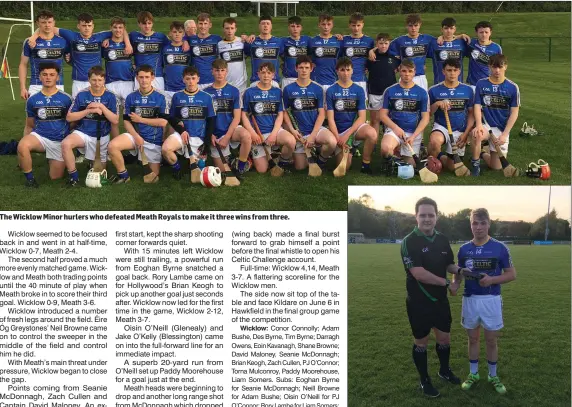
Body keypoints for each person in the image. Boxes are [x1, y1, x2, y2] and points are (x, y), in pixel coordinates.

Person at [400, 197, 468, 397]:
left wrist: (461, 272)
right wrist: (448, 283)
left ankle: (444, 370)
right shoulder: (409, 242)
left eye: (431, 215)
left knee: (444, 339)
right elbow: (418, 273)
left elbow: (449, 265)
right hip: (418, 302)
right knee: (421, 342)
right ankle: (424, 379)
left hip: (440, 301)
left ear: (437, 217)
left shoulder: (442, 239)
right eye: (423, 215)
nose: (427, 219)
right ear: (416, 217)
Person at [454, 208, 516, 394]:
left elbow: (512, 275)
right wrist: (455, 283)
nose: (478, 227)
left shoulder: (500, 248)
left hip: (491, 300)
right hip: (470, 300)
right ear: (470, 224)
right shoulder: (463, 249)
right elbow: (457, 274)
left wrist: (491, 280)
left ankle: (493, 375)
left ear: (489, 224)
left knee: (490, 341)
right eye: (475, 223)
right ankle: (473, 374)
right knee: (472, 339)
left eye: (482, 223)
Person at [27, 13, 132, 99]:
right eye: (84, 25)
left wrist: (127, 44)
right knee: (77, 111)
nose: (87, 28)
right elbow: (48, 28)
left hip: (97, 81)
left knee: (98, 111)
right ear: (78, 26)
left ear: (93, 26)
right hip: (78, 82)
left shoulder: (100, 36)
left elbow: (122, 31)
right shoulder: (72, 36)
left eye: (89, 25)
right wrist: (34, 36)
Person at [107, 64, 168, 183]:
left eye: (146, 77)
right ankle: (123, 175)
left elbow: (163, 122)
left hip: (153, 140)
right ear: (137, 78)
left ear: (152, 78)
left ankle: (144, 158)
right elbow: (126, 122)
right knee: (112, 146)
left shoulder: (161, 97)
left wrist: (141, 120)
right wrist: (136, 136)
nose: (144, 80)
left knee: (152, 178)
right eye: (141, 77)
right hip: (135, 137)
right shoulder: (130, 97)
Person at [62, 66, 118, 187]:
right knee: (66, 144)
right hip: (83, 132)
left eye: (100, 80)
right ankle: (74, 178)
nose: (97, 83)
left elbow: (115, 120)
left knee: (101, 176)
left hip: (101, 136)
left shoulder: (111, 96)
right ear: (89, 79)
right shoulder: (82, 94)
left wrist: (101, 107)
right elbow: (69, 117)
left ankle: (92, 163)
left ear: (104, 80)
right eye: (94, 80)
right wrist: (88, 111)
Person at [18, 62, 73, 187]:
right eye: (45, 74)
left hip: (59, 141)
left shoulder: (67, 98)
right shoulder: (32, 99)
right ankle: (30, 180)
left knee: (55, 177)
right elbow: (30, 124)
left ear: (57, 77)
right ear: (40, 77)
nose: (48, 77)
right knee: (22, 145)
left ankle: (53, 157)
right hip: (40, 137)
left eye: (52, 75)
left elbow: (73, 123)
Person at [282, 55, 337, 171]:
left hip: (315, 130)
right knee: (300, 167)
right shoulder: (288, 89)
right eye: (301, 67)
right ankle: (306, 151)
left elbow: (322, 114)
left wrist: (312, 135)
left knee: (332, 142)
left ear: (311, 69)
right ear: (296, 68)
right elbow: (285, 112)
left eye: (307, 67)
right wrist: (293, 130)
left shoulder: (318, 88)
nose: (304, 70)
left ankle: (321, 160)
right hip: (299, 133)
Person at [162, 66, 216, 180]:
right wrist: (182, 131)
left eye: (193, 78)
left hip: (199, 137)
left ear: (198, 79)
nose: (190, 81)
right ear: (183, 80)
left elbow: (211, 120)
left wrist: (206, 142)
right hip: (182, 135)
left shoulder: (206, 97)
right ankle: (177, 168)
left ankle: (192, 161)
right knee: (166, 149)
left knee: (200, 170)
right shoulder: (177, 96)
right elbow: (173, 118)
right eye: (187, 78)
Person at [241, 62, 296, 173]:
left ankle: (282, 162)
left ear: (273, 75)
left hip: (273, 131)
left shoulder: (277, 92)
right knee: (262, 170)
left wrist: (273, 134)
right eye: (263, 72)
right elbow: (244, 115)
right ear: (258, 74)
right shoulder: (249, 92)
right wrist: (252, 134)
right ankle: (251, 157)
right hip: (257, 134)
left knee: (291, 141)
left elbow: (280, 115)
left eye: (269, 73)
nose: (266, 75)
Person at [326, 57, 377, 174]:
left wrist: (348, 135)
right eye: (342, 70)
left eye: (348, 70)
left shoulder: (358, 90)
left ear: (352, 71)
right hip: (338, 131)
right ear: (337, 71)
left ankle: (366, 164)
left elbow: (362, 117)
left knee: (372, 134)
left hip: (354, 129)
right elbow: (330, 119)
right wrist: (339, 138)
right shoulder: (331, 90)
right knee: (344, 168)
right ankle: (344, 150)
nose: (345, 73)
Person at [471, 54, 520, 175]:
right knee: (476, 135)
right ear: (489, 67)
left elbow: (514, 113)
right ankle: (475, 164)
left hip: (501, 129)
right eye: (494, 67)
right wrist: (478, 124)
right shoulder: (481, 84)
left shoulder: (513, 87)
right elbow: (477, 105)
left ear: (505, 67)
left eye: (500, 67)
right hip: (486, 124)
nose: (497, 70)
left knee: (496, 167)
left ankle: (482, 153)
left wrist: (504, 134)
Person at [379, 59, 430, 170]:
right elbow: (382, 115)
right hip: (394, 130)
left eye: (410, 71)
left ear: (414, 72)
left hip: (412, 134)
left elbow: (425, 118)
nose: (407, 74)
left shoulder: (422, 92)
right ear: (399, 71)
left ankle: (397, 159)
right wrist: (396, 128)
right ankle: (393, 154)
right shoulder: (390, 90)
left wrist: (414, 136)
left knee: (411, 166)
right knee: (385, 149)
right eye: (404, 71)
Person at [203, 59, 252, 175]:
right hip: (215, 134)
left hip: (231, 129)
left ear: (226, 72)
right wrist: (210, 134)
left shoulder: (234, 91)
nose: (220, 73)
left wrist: (227, 137)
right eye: (217, 70)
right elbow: (204, 118)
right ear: (212, 72)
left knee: (246, 136)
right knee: (223, 171)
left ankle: (240, 166)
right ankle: (231, 159)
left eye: (222, 70)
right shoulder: (205, 93)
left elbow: (236, 117)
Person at [428, 58, 474, 172]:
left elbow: (472, 114)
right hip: (442, 126)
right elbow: (428, 114)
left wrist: (466, 134)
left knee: (452, 167)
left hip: (460, 130)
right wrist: (437, 104)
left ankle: (439, 156)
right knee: (434, 141)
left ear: (459, 71)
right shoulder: (434, 90)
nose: (452, 73)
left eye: (455, 70)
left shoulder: (468, 90)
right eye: (449, 70)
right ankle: (431, 163)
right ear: (443, 71)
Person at [19, 10, 67, 102]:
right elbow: (23, 64)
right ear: (38, 23)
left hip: (58, 85)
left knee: (59, 115)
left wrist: (69, 59)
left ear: (54, 23)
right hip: (36, 85)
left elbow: (71, 57)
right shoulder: (30, 42)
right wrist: (22, 88)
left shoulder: (63, 41)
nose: (47, 25)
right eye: (43, 22)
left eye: (49, 22)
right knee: (34, 115)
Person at [389, 14, 434, 91]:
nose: (413, 28)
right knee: (405, 101)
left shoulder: (427, 39)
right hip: (405, 77)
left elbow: (445, 39)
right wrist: (372, 51)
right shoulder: (400, 40)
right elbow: (384, 47)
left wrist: (460, 36)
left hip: (421, 77)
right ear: (406, 26)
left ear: (420, 25)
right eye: (410, 26)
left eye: (416, 25)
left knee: (423, 101)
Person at [366, 33, 399, 137]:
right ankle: (374, 142)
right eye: (381, 43)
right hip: (374, 92)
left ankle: (388, 140)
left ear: (389, 43)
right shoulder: (371, 57)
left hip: (390, 93)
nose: (383, 46)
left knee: (389, 119)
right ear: (377, 44)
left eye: (386, 43)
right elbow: (366, 69)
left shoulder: (394, 57)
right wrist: (372, 51)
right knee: (375, 120)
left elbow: (400, 68)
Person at [341, 13, 374, 100]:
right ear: (349, 25)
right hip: (345, 79)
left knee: (361, 108)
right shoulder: (343, 40)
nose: (356, 28)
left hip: (361, 79)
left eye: (358, 25)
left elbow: (375, 56)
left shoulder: (369, 41)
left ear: (363, 24)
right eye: (353, 25)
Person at [186, 13, 222, 90]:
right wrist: (184, 40)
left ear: (210, 25)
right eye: (200, 24)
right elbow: (178, 39)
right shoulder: (191, 39)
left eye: (205, 23)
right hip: (195, 81)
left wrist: (245, 37)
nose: (203, 26)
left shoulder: (217, 39)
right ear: (197, 25)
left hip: (212, 80)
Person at [427, 17, 468, 85]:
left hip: (458, 84)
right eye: (446, 28)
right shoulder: (434, 43)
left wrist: (460, 36)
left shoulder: (462, 43)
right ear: (442, 29)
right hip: (439, 84)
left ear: (455, 29)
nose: (448, 31)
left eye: (451, 28)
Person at [309, 14, 343, 94]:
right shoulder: (312, 41)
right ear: (319, 25)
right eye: (323, 24)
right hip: (315, 81)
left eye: (329, 24)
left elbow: (343, 59)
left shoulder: (338, 41)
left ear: (332, 25)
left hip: (333, 81)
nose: (326, 27)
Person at [466, 21, 503, 88]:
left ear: (490, 33)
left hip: (490, 84)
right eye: (481, 32)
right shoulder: (471, 43)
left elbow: (500, 67)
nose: (484, 35)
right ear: (476, 33)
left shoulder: (496, 48)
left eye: (486, 32)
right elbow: (453, 38)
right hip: (472, 84)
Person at [218, 17, 248, 95]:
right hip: (226, 83)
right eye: (227, 28)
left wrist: (249, 37)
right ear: (223, 29)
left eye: (232, 28)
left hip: (241, 84)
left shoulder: (242, 41)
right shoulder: (219, 45)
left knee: (241, 107)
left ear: (236, 29)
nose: (230, 31)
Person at [163, 21, 191, 101]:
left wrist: (185, 41)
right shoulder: (165, 48)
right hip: (168, 88)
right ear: (170, 33)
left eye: (180, 32)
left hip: (185, 87)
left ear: (183, 34)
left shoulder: (188, 49)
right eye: (174, 32)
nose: (177, 34)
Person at [281, 16, 311, 90]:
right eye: (292, 26)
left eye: (298, 26)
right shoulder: (283, 41)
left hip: (304, 79)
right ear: (288, 27)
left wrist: (336, 36)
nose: (295, 29)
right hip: (288, 79)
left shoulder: (308, 40)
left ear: (301, 28)